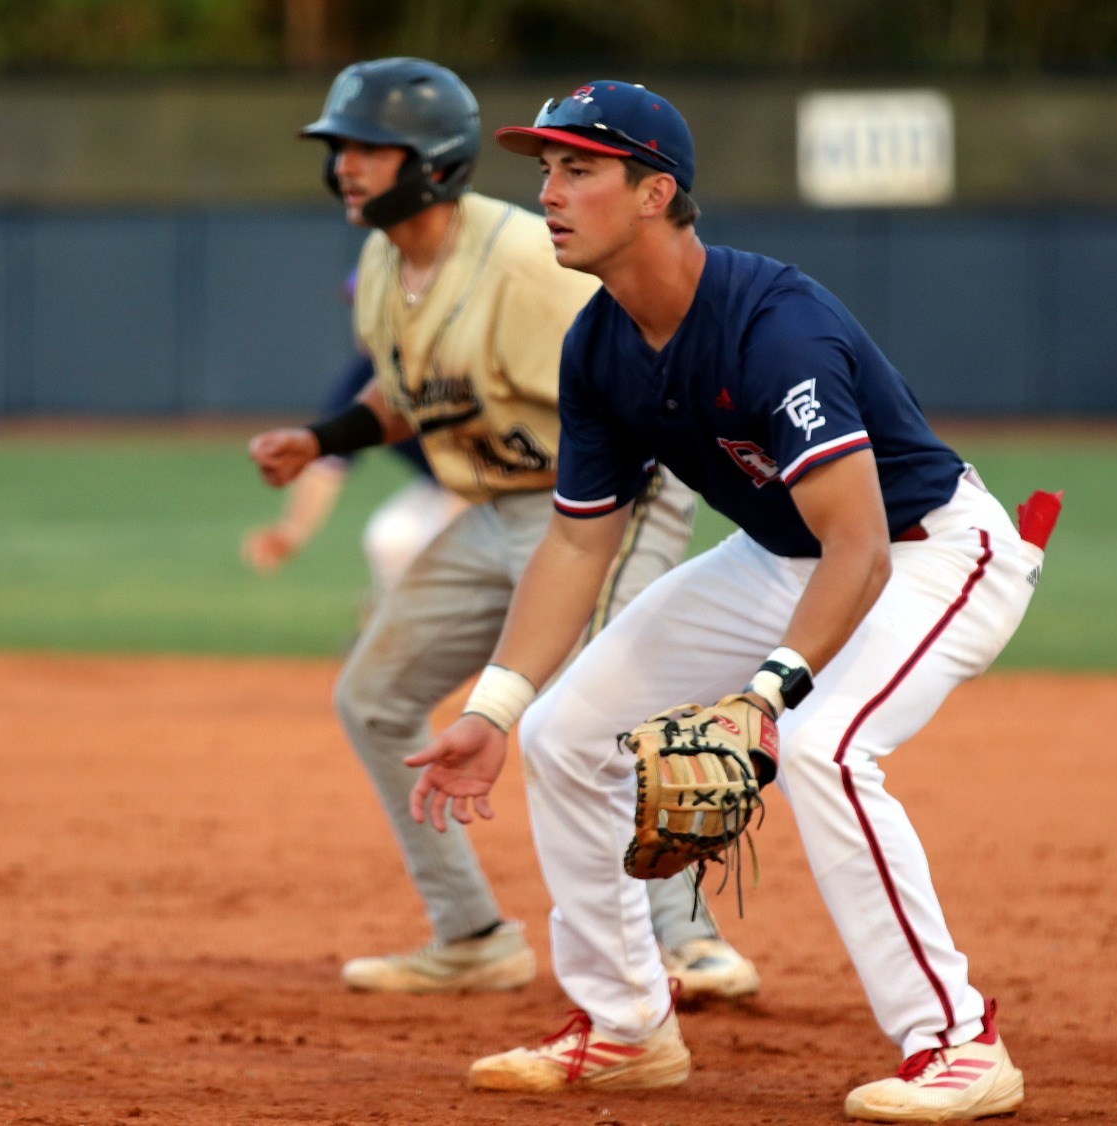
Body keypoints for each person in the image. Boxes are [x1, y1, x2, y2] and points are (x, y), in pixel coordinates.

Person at [406, 80, 1061, 1121]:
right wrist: (492, 708)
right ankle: (625, 1027)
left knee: (822, 748)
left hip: (929, 550)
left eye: (578, 168)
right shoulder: (599, 344)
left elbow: (857, 547)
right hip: (777, 555)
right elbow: (579, 543)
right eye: (544, 169)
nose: (549, 193)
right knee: (564, 733)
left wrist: (763, 695)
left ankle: (958, 1042)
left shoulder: (772, 328)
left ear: (655, 191)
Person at [247, 58, 758, 1000]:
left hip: (610, 496)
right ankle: (473, 935)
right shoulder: (381, 265)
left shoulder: (525, 261)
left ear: (433, 162)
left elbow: (647, 342)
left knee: (597, 707)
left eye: (369, 147)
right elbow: (411, 390)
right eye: (340, 149)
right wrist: (320, 438)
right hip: (495, 508)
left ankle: (685, 941)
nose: (347, 167)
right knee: (374, 696)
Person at [243, 340, 467, 599]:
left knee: (446, 552)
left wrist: (453, 528)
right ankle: (394, 625)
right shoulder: (366, 374)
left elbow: (482, 458)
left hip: (500, 488)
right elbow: (328, 465)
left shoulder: (454, 357)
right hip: (442, 485)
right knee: (391, 540)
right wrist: (292, 530)